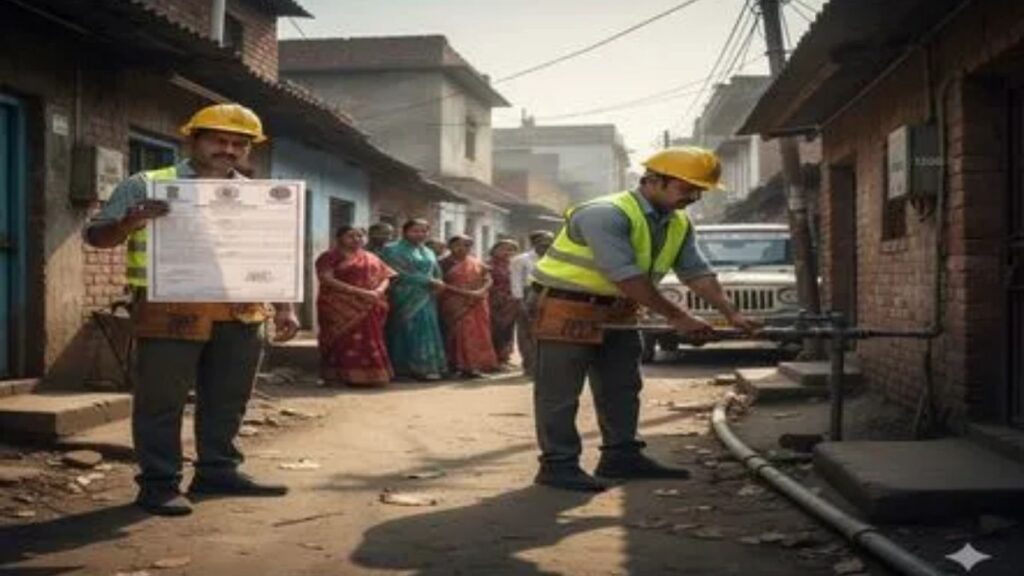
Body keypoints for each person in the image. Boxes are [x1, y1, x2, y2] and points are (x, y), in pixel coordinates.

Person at [85, 103, 300, 516]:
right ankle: (159, 483)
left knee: (227, 399)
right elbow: (96, 237)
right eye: (219, 140)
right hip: (170, 310)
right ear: (193, 140)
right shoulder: (146, 184)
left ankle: (218, 471)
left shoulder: (258, 196)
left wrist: (285, 306)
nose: (229, 150)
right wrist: (129, 223)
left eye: (240, 143)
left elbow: (273, 255)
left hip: (242, 312)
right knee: (161, 401)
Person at [528, 147, 760, 492]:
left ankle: (621, 456)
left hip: (620, 309)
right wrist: (679, 317)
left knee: (622, 386)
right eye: (686, 189)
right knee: (560, 392)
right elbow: (625, 275)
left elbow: (696, 272)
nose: (693, 197)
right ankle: (557, 465)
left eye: (699, 191)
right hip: (568, 306)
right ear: (652, 180)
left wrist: (732, 312)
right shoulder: (605, 214)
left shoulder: (678, 221)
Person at [315, 226, 396, 387]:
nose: (356, 239)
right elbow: (326, 278)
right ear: (339, 238)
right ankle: (339, 376)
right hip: (338, 306)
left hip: (370, 304)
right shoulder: (329, 256)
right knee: (341, 339)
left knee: (370, 338)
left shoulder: (371, 257)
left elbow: (386, 276)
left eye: (360, 236)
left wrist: (378, 291)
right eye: (350, 236)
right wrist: (359, 292)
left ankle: (372, 376)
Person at [380, 219, 448, 380]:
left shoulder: (428, 251)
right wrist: (427, 281)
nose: (420, 234)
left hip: (427, 297)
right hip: (403, 295)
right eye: (415, 231)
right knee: (405, 330)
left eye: (424, 231)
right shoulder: (392, 250)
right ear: (405, 231)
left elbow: (435, 270)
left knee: (426, 329)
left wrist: (439, 282)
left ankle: (426, 367)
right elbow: (394, 272)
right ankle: (402, 369)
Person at [438, 235, 499, 377]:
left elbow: (488, 278)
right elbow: (439, 284)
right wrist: (466, 293)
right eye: (458, 245)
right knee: (457, 334)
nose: (462, 248)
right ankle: (456, 365)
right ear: (449, 247)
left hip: (476, 303)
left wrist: (480, 291)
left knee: (477, 333)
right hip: (455, 304)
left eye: (467, 245)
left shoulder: (476, 262)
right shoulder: (442, 263)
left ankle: (474, 366)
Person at [510, 231, 554, 377]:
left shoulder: (554, 259)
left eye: (550, 242)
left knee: (546, 332)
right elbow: (516, 282)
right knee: (526, 332)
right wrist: (520, 302)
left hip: (549, 296)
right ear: (534, 243)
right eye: (543, 242)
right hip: (527, 296)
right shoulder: (521, 260)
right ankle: (529, 365)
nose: (547, 245)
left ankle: (544, 366)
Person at [487, 238, 520, 370]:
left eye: (511, 250)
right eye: (504, 249)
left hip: (511, 303)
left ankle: (505, 358)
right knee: (495, 330)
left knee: (508, 330)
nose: (507, 252)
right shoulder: (488, 265)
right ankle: (494, 359)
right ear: (494, 250)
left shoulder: (514, 265)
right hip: (493, 302)